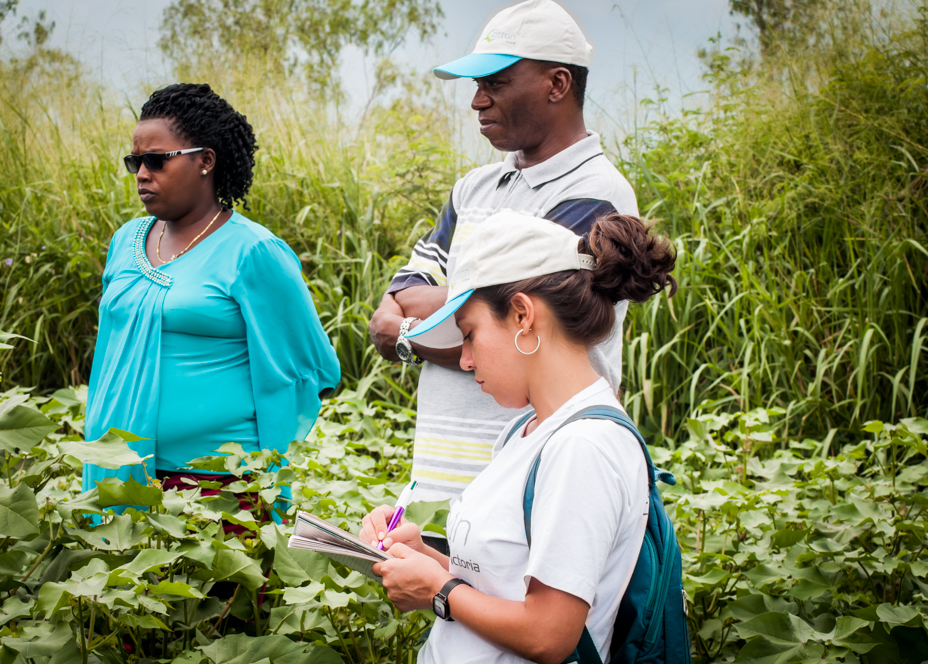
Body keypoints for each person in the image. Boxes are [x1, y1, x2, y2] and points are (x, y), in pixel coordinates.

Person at [360, 210, 677, 663]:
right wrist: (423, 559)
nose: (465, 360)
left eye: (470, 335)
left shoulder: (583, 447)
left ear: (523, 315)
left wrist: (438, 590)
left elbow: (549, 634)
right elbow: (499, 586)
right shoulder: (527, 431)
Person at [369, 0, 639, 506]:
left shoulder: (597, 195)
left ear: (557, 84)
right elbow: (407, 291)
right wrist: (466, 305)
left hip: (530, 491)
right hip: (437, 486)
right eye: (477, 85)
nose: (477, 101)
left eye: (495, 83)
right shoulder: (472, 188)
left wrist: (406, 335)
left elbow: (519, 332)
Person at [84, 83, 340, 502]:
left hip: (215, 488)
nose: (142, 173)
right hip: (115, 471)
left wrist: (248, 438)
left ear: (205, 161)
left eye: (157, 160)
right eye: (135, 161)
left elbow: (312, 368)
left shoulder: (253, 252)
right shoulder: (125, 240)